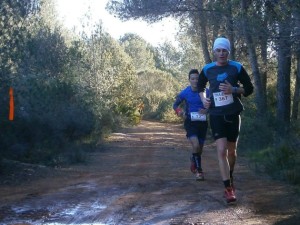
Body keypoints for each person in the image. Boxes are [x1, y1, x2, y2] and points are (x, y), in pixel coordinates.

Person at [197, 37, 254, 204]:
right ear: (214, 51)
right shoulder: (207, 69)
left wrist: (234, 89)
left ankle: (230, 177)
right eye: (218, 50)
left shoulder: (236, 67)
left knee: (231, 152)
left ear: (228, 52)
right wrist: (203, 99)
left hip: (233, 113)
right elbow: (200, 87)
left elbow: (249, 89)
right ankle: (228, 189)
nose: (221, 53)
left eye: (224, 50)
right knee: (220, 150)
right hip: (215, 114)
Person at [173, 69, 208, 181]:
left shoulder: (206, 92)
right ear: (189, 80)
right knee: (196, 145)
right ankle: (199, 171)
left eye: (197, 78)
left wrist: (206, 110)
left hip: (202, 123)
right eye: (193, 79)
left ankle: (194, 158)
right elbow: (175, 105)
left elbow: (213, 104)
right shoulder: (185, 92)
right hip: (190, 122)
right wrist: (180, 112)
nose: (195, 81)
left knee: (199, 149)